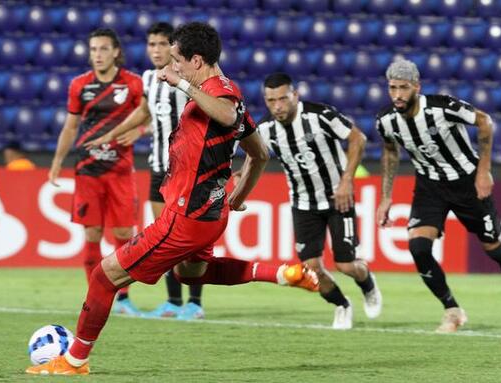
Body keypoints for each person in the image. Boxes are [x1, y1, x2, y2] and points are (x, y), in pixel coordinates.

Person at [26, 22, 319, 376]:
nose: (172, 65)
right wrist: (237, 197)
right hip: (212, 215)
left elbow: (227, 116)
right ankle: (284, 274)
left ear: (196, 60)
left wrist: (180, 83)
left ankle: (74, 361)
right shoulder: (229, 90)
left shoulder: (219, 98)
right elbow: (259, 154)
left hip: (184, 217)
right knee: (191, 274)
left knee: (104, 277)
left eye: (178, 59)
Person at [375, 59, 501, 333]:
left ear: (416, 87)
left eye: (403, 88)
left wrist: (484, 171)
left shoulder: (441, 107)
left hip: (467, 182)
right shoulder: (387, 121)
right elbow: (390, 151)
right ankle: (452, 311)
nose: (397, 95)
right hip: (429, 187)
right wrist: (386, 197)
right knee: (418, 247)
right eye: (392, 88)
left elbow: (484, 121)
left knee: (493, 247)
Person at [86, 22, 204, 320]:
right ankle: (174, 302)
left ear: (174, 47)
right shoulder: (149, 79)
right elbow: (147, 112)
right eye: (151, 45)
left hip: (186, 169)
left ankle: (195, 302)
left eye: (162, 44)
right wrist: (114, 132)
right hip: (157, 167)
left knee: (188, 237)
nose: (156, 50)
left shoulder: (188, 79)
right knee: (165, 235)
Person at [257, 72, 382, 330]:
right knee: (310, 268)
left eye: (282, 98)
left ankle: (367, 281)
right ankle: (342, 304)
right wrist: (243, 174)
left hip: (338, 198)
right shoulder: (265, 128)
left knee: (346, 265)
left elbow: (357, 138)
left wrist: (347, 180)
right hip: (302, 203)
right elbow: (255, 156)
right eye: (271, 101)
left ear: (295, 95)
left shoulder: (319, 115)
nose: (277, 106)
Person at [47, 28, 143, 317]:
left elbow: (151, 117)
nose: (97, 55)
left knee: (125, 232)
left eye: (103, 49)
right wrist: (56, 162)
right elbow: (71, 127)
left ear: (115, 52)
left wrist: (139, 130)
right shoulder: (80, 85)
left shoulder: (133, 84)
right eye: (93, 50)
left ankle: (123, 296)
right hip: (88, 169)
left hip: (120, 170)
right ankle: (96, 296)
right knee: (93, 233)